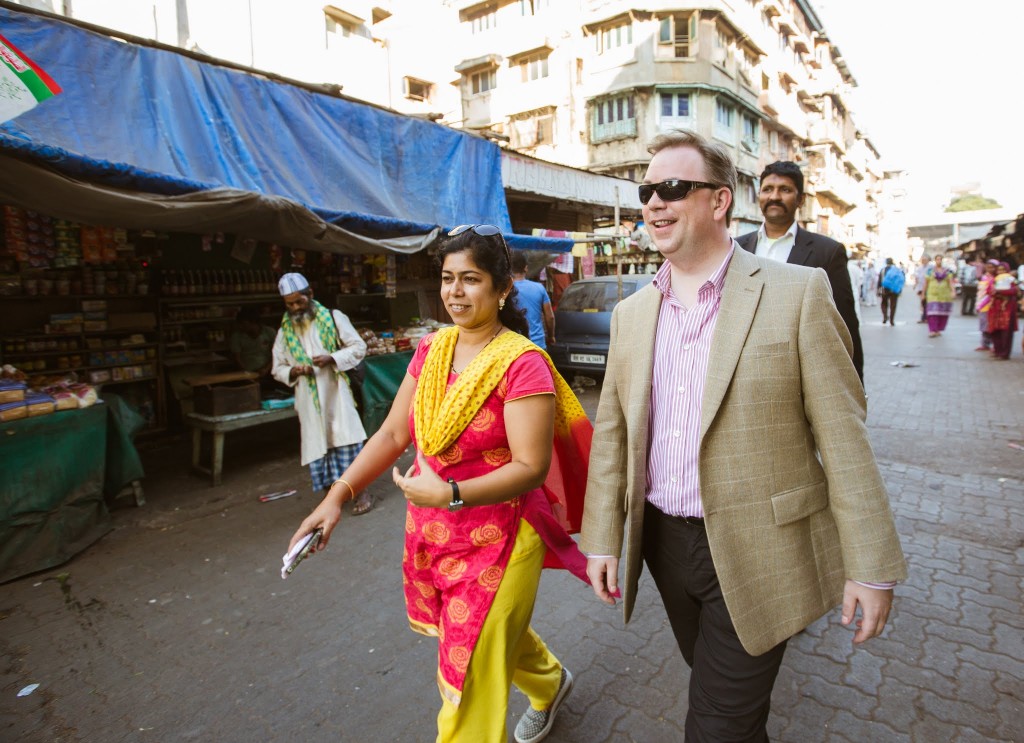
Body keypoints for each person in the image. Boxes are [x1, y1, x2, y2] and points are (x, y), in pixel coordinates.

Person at [580, 129, 906, 741]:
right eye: (648, 189)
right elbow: (613, 436)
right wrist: (601, 539)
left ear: (720, 200)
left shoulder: (796, 293)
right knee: (723, 701)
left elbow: (842, 435)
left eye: (673, 187)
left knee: (715, 727)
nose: (653, 202)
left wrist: (870, 564)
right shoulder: (631, 314)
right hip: (665, 549)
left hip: (763, 547)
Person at [287, 226, 595, 743]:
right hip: (436, 532)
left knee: (469, 668)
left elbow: (530, 468)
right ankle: (551, 683)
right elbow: (392, 432)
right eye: (448, 278)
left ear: (501, 290)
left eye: (470, 279)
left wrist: (450, 494)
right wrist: (336, 496)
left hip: (503, 536)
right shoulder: (431, 350)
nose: (454, 291)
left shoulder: (522, 365)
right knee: (484, 635)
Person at [737, 160, 864, 382]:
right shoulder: (736, 248)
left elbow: (845, 323)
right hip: (745, 371)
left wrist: (855, 383)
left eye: (784, 190)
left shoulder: (827, 252)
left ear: (800, 199)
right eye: (767, 189)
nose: (774, 196)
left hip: (802, 373)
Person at [272, 273, 373, 514]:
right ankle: (333, 500)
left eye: (300, 302)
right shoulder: (284, 331)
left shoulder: (334, 318)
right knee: (322, 447)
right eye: (290, 304)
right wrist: (294, 370)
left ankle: (361, 493)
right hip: (308, 396)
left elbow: (358, 347)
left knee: (346, 442)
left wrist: (332, 358)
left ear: (310, 295)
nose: (296, 308)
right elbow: (277, 367)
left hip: (335, 391)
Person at [511, 251, 555, 349]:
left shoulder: (504, 290)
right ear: (526, 268)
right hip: (537, 344)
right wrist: (551, 336)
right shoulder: (539, 288)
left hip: (513, 345)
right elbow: (550, 316)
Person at [229, 306, 276, 377]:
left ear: (253, 322)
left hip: (268, 370)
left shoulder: (269, 332)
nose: (241, 326)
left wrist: (266, 369)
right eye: (239, 324)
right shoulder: (237, 336)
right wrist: (246, 372)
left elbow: (277, 354)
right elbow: (237, 358)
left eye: (244, 324)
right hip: (247, 372)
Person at [987, 261, 1020, 359]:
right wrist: (996, 292)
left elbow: (1014, 291)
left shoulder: (1010, 280)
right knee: (995, 330)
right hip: (995, 309)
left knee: (1006, 332)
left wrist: (1000, 291)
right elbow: (989, 291)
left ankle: (1004, 353)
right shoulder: (994, 280)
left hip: (1007, 309)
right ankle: (997, 351)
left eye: (1003, 270)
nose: (1000, 272)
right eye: (999, 270)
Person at [924, 254, 956, 337]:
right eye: (937, 259)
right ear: (935, 260)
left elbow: (951, 282)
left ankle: (938, 329)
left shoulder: (947, 271)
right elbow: (926, 283)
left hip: (945, 295)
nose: (939, 261)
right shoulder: (930, 271)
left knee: (942, 313)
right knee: (932, 313)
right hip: (932, 294)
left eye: (940, 259)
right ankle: (932, 330)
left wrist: (953, 291)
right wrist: (923, 293)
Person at [975, 260, 998, 352]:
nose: (990, 269)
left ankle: (994, 344)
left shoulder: (997, 278)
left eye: (992, 267)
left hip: (992, 304)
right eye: (988, 267)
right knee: (984, 324)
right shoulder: (984, 277)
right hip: (982, 304)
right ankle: (985, 344)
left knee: (992, 325)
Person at [879, 257, 905, 325]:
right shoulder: (897, 270)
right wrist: (900, 290)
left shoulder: (883, 270)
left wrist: (878, 289)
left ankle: (885, 316)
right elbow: (900, 280)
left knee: (884, 303)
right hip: (894, 290)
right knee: (893, 305)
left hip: (885, 289)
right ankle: (891, 320)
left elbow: (879, 281)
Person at [914, 254, 931, 323]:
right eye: (922, 260)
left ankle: (926, 317)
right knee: (922, 302)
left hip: (929, 288)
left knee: (927, 302)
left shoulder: (931, 267)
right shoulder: (919, 268)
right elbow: (917, 277)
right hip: (921, 288)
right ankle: (923, 317)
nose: (923, 261)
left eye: (925, 260)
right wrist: (915, 285)